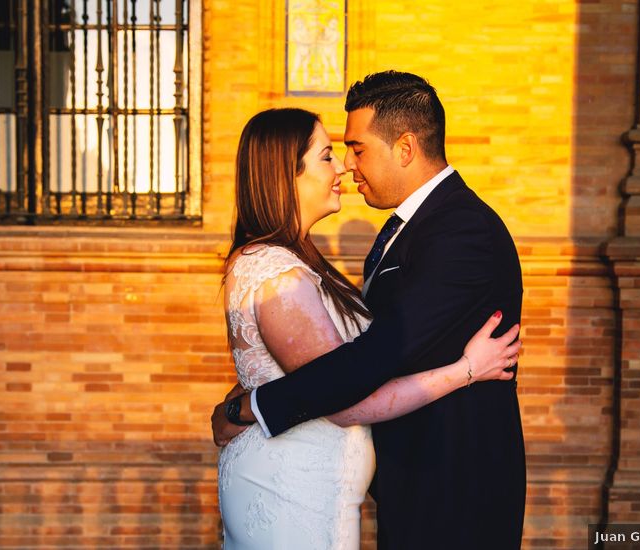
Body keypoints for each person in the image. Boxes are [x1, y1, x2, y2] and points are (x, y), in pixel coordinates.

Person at [213, 72, 527, 549]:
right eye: (335, 153)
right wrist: (250, 392)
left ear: (404, 148)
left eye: (357, 149)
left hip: (453, 491)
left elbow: (377, 354)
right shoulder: (403, 230)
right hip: (397, 484)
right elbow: (333, 358)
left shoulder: (462, 232)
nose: (347, 165)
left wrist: (253, 406)